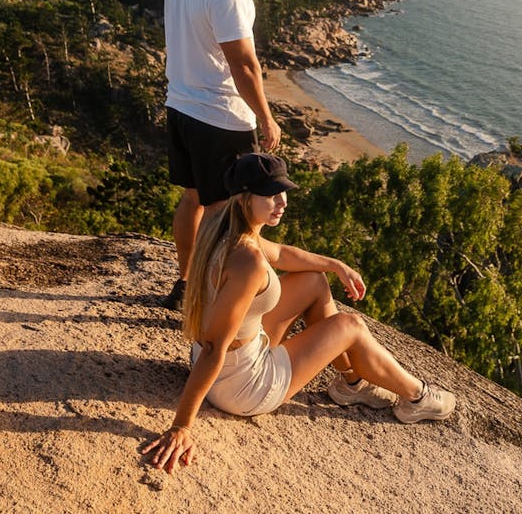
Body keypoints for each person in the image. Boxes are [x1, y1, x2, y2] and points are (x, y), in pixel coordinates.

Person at [140, 153, 456, 474]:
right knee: (350, 324)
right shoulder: (246, 260)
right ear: (246, 198)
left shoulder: (224, 224)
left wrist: (336, 265)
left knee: (313, 280)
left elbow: (281, 254)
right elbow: (213, 347)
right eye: (272, 195)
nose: (283, 202)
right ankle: (417, 398)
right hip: (243, 386)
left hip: (234, 361)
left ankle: (352, 383)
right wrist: (182, 426)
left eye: (284, 192)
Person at [162, 0, 281, 310]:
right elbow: (244, 64)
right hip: (220, 117)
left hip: (179, 105)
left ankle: (184, 284)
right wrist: (266, 118)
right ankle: (210, 299)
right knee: (228, 212)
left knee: (193, 198)